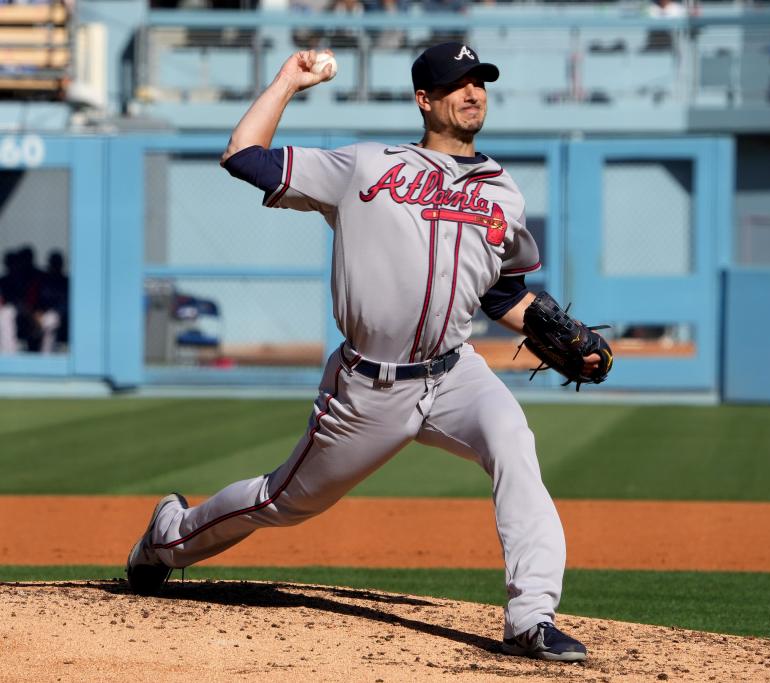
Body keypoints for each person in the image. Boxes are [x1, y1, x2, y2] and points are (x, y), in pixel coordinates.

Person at [125, 42, 610, 663]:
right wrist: (286, 83)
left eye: (480, 82)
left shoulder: (502, 191)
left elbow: (503, 294)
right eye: (458, 84)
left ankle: (531, 618)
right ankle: (168, 537)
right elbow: (244, 157)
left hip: (457, 372)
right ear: (424, 100)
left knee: (515, 446)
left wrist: (550, 330)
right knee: (284, 502)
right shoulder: (365, 165)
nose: (473, 93)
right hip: (371, 388)